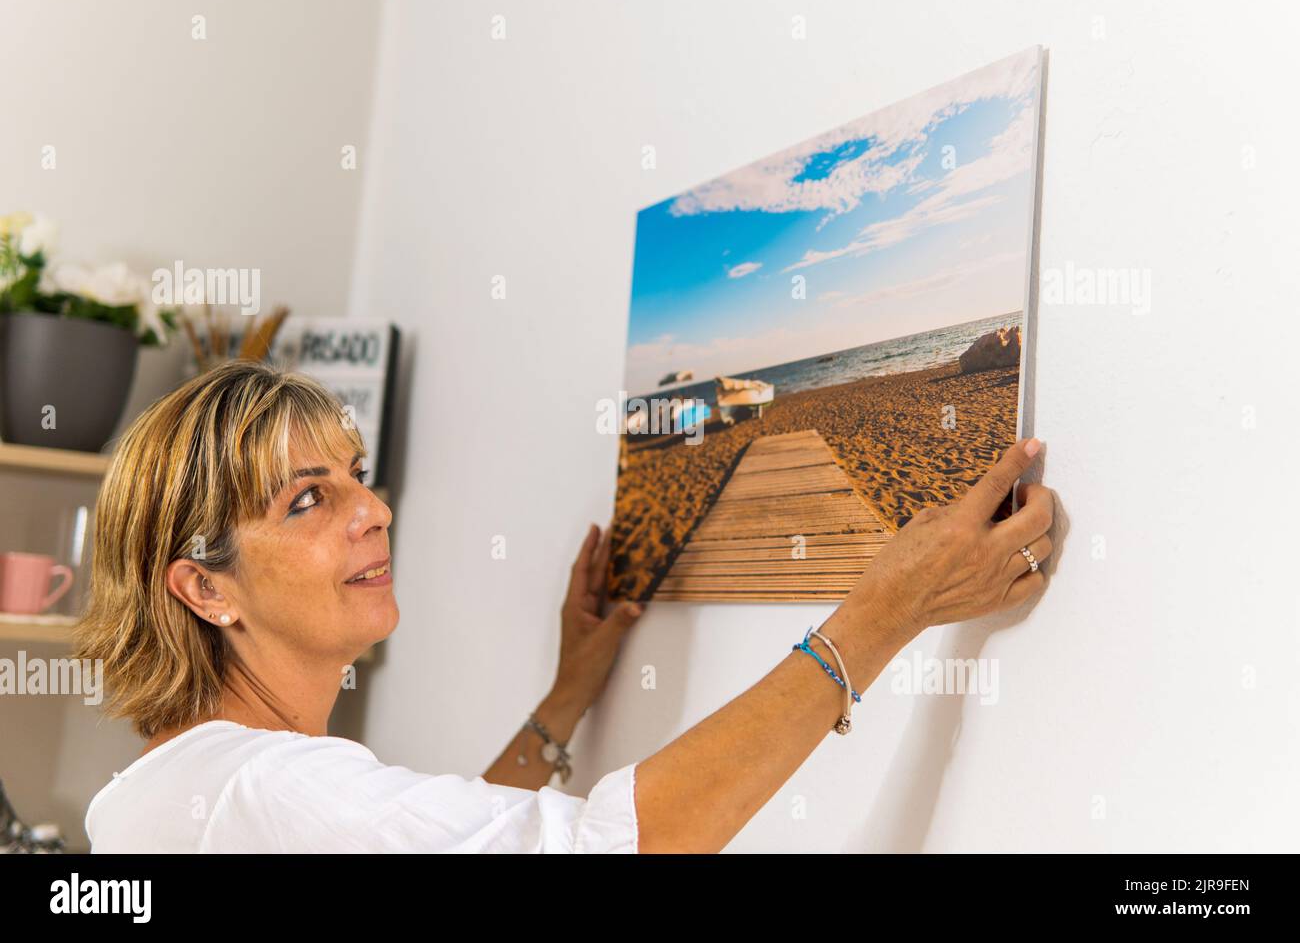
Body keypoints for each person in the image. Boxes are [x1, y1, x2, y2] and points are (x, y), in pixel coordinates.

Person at [79, 360, 1054, 853]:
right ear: (203, 586)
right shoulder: (278, 790)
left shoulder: (149, 794)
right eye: (307, 499)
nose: (372, 511)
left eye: (358, 476)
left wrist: (564, 700)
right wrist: (886, 606)